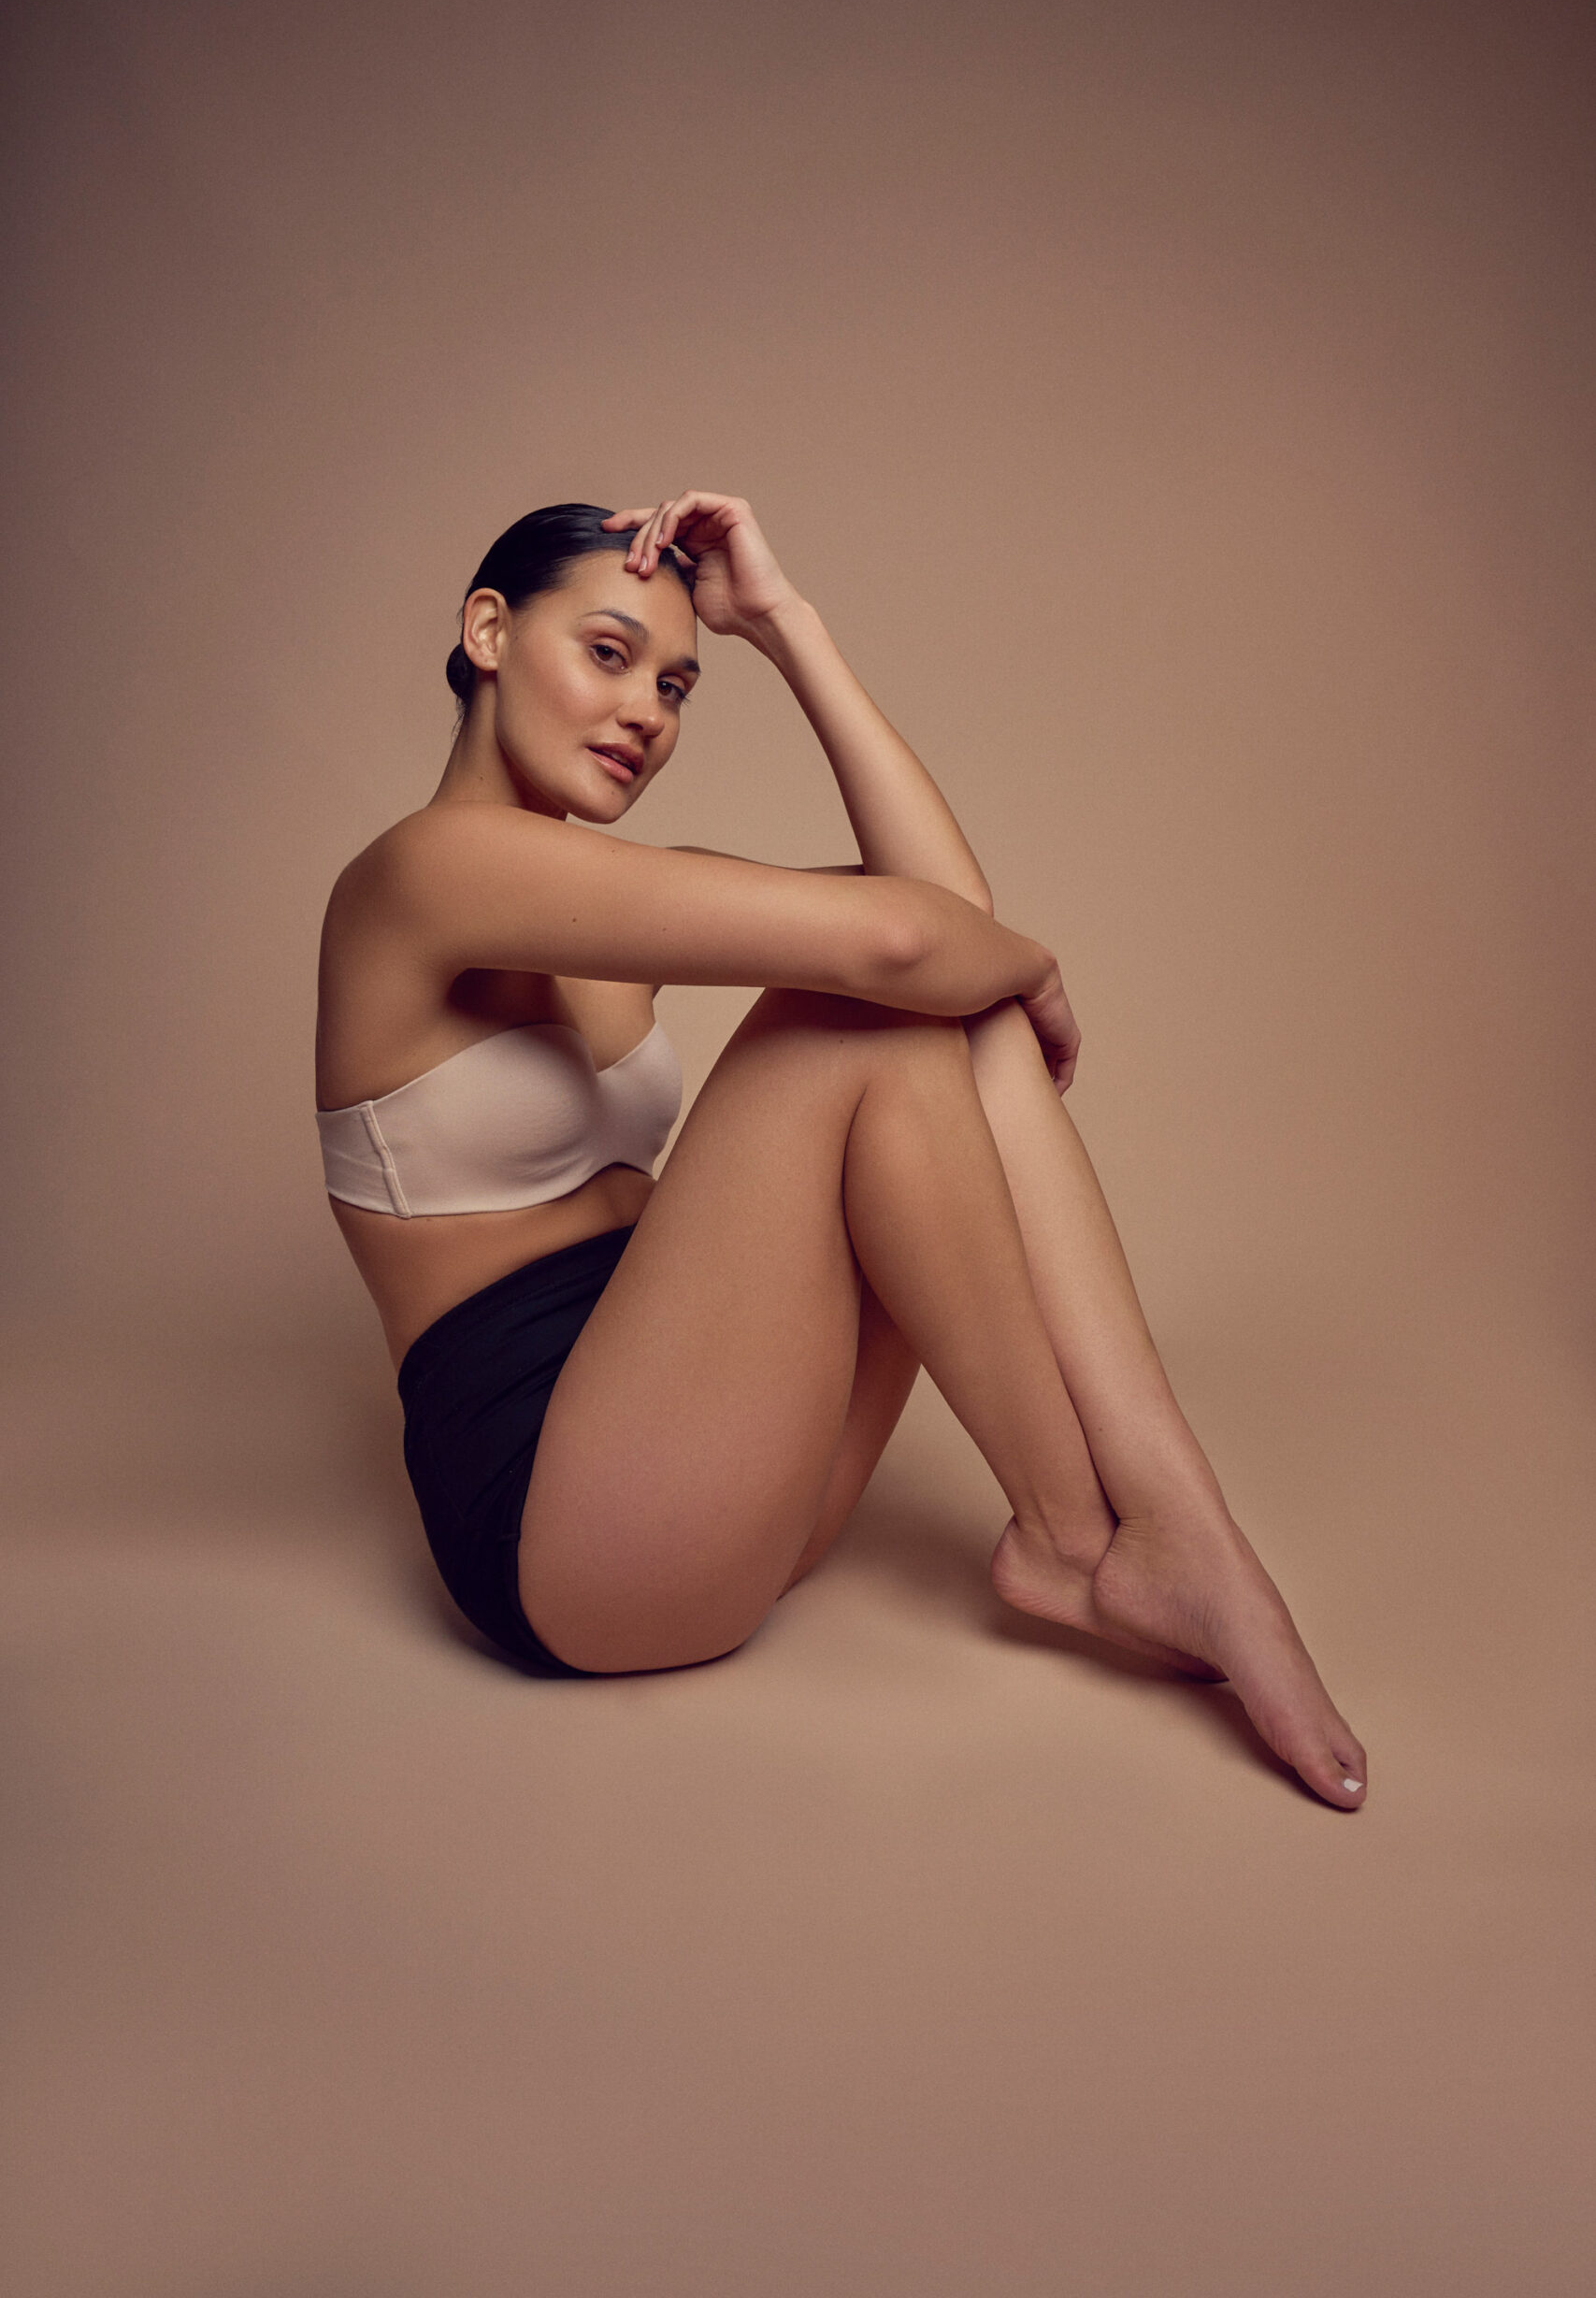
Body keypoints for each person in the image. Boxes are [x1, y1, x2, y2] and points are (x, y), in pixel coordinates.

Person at [315, 492, 1367, 1809]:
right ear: (486, 631)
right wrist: (1027, 967)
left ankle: (1165, 1526)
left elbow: (942, 914)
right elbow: (910, 943)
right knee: (878, 1000)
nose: (648, 710)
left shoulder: (611, 905)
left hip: (728, 1490)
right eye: (608, 654)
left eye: (681, 684)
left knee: (933, 998)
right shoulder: (419, 875)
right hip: (558, 1539)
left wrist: (787, 625)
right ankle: (1077, 1530)